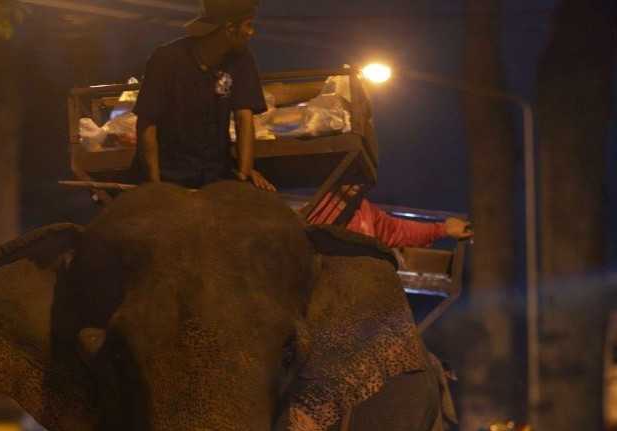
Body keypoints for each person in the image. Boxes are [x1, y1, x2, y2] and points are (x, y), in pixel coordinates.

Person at [133, 0, 275, 191]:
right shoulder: (166, 59)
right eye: (248, 25)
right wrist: (156, 185)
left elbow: (244, 117)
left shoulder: (240, 59)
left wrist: (245, 172)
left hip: (215, 173)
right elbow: (146, 123)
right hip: (170, 173)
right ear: (229, 28)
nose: (251, 33)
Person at [308, 184, 472, 248]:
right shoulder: (319, 207)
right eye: (350, 174)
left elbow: (396, 230)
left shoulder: (365, 209)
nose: (356, 182)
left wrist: (443, 229)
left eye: (359, 175)